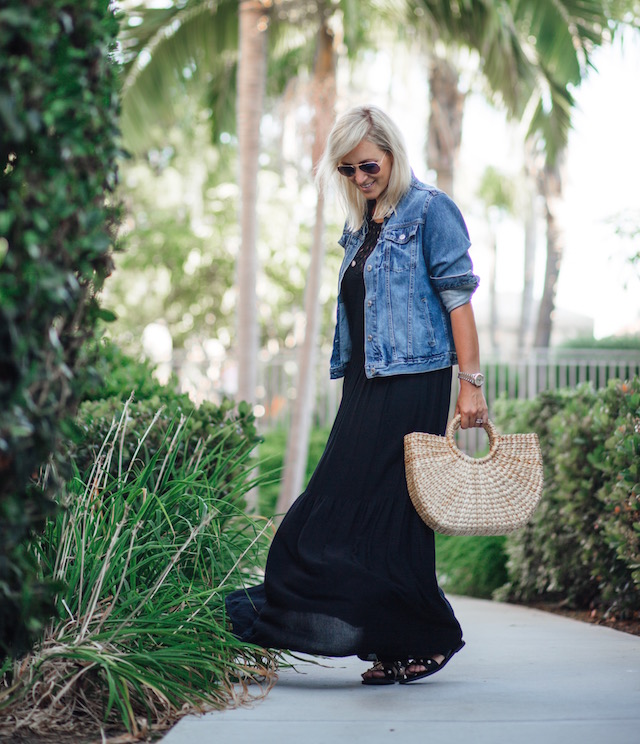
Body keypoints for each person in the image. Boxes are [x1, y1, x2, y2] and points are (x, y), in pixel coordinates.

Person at [226, 104, 488, 685]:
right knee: (357, 513)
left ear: (392, 154)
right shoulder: (364, 222)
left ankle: (422, 636)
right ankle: (403, 639)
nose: (360, 177)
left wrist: (471, 386)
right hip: (366, 385)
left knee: (376, 513)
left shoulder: (430, 210)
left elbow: (459, 301)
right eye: (347, 170)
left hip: (413, 383)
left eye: (368, 165)